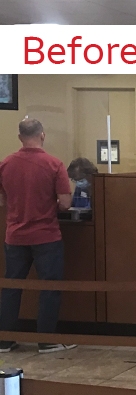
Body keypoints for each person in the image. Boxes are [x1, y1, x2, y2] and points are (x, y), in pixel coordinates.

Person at [0, 119, 75, 353]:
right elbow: (65, 203)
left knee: (11, 286)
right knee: (49, 287)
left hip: (14, 236)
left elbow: (2, 200)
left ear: (20, 137)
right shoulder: (54, 164)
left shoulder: (5, 164)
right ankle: (46, 340)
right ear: (42, 135)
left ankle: (5, 340)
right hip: (46, 236)